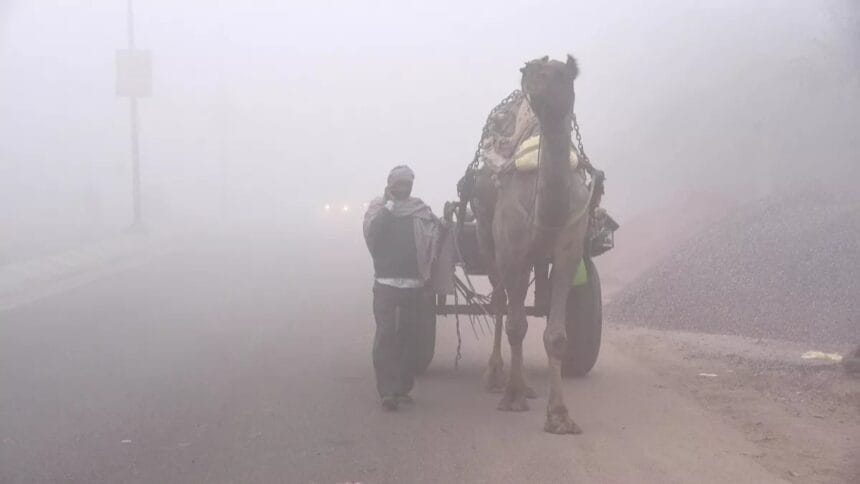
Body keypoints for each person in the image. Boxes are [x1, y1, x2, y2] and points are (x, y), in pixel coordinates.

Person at [363, 165, 442, 411]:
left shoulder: (420, 210)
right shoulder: (378, 209)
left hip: (414, 284)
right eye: (398, 183)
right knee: (386, 335)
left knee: (410, 337)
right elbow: (373, 236)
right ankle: (387, 391)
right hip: (386, 283)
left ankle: (402, 388)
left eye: (407, 183)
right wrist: (389, 207)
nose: (403, 187)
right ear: (390, 184)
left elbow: (434, 235)